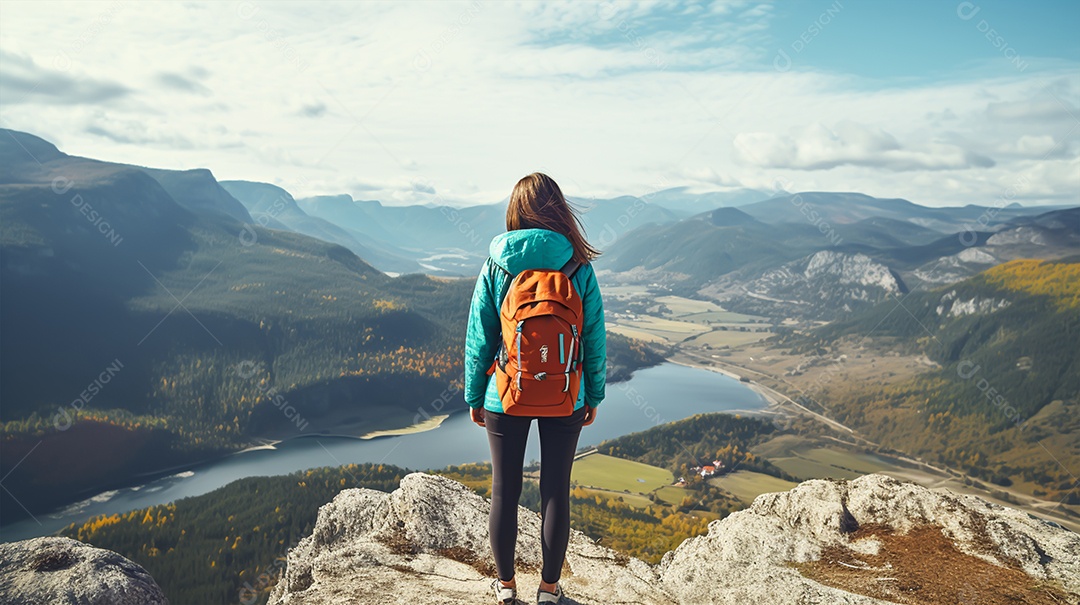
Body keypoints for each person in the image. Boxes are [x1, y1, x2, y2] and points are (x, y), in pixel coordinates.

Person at [465, 172, 606, 605]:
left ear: (515, 211)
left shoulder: (497, 263)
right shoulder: (578, 266)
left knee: (505, 489)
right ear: (559, 210)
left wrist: (475, 395)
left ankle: (506, 589)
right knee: (554, 490)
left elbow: (480, 338)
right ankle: (548, 590)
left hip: (506, 395)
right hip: (565, 395)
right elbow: (595, 339)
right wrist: (593, 395)